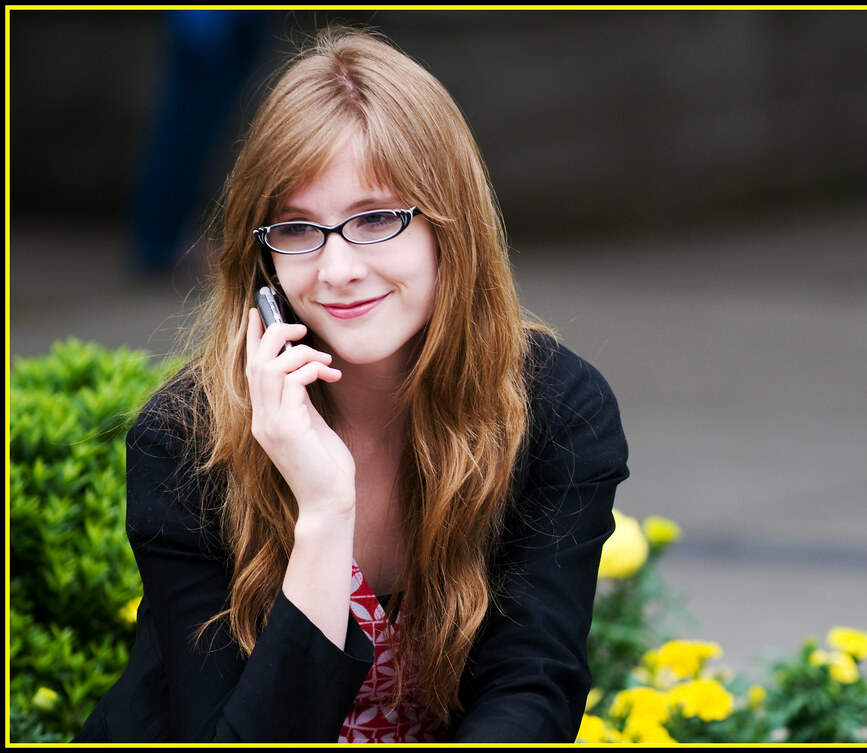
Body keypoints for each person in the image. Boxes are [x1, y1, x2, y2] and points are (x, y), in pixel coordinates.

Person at [75, 24, 628, 743]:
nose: (337, 270)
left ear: (450, 226)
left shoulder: (555, 409)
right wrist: (325, 510)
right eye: (297, 229)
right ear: (263, 259)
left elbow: (531, 687)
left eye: (375, 219)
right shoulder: (184, 440)